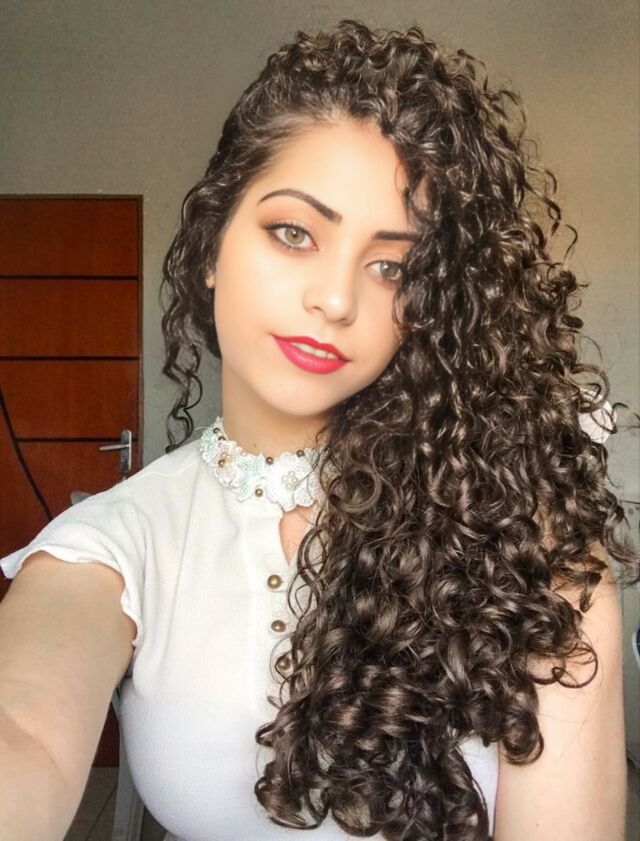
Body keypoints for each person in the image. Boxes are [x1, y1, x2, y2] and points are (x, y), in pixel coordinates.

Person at [0, 18, 638, 841]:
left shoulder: (529, 547)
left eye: (392, 266)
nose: (336, 299)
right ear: (211, 248)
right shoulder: (118, 542)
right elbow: (24, 725)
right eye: (294, 232)